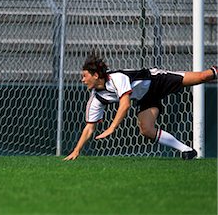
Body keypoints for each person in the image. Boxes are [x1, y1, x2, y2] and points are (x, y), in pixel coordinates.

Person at [63, 53, 217, 161]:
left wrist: (112, 127)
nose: (82, 80)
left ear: (95, 75)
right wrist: (76, 151)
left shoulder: (116, 78)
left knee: (203, 76)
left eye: (85, 76)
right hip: (145, 97)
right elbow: (89, 127)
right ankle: (187, 150)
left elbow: (125, 105)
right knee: (146, 130)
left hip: (157, 80)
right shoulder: (97, 98)